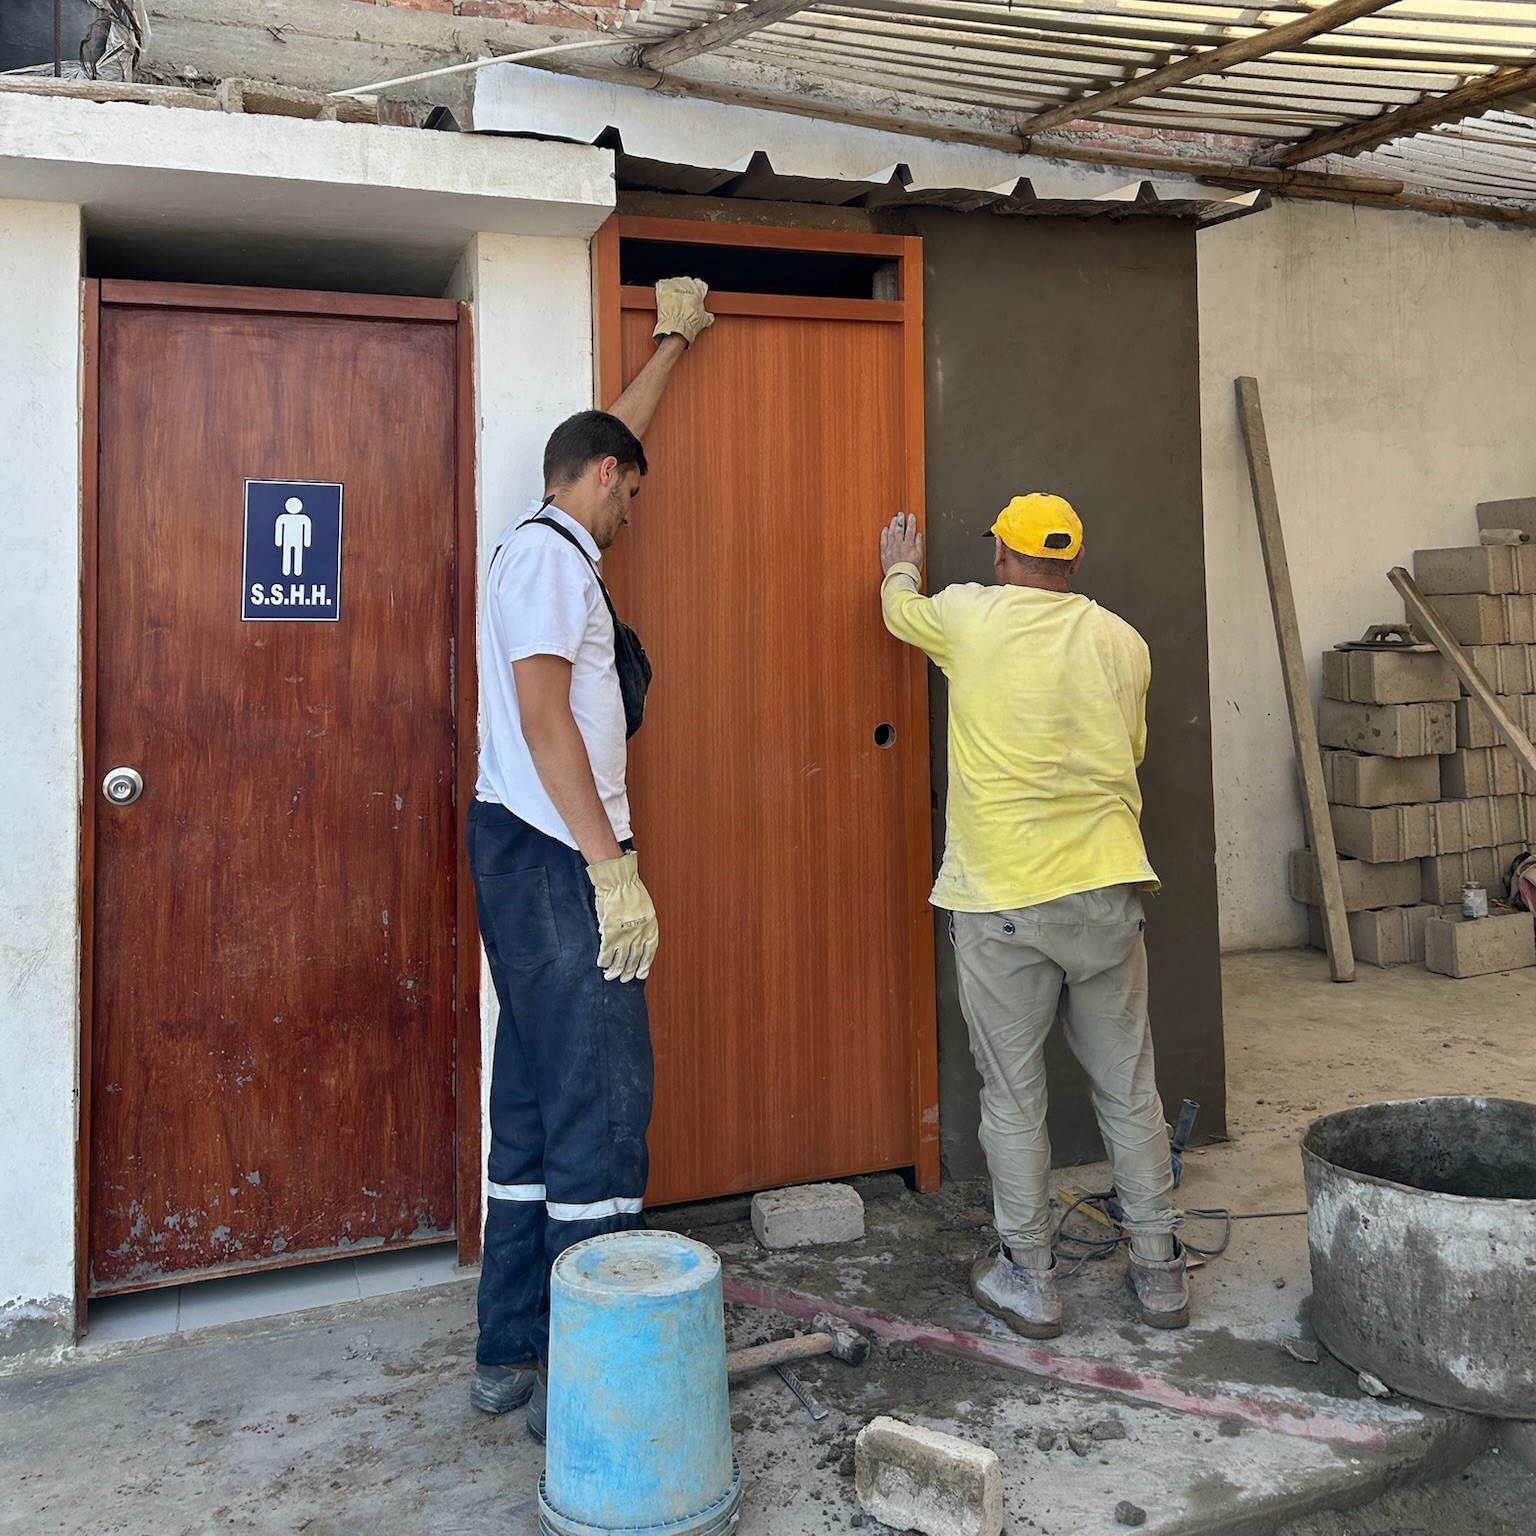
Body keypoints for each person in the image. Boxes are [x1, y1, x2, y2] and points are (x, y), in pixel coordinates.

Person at [468, 278, 714, 1433]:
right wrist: (611, 865)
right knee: (603, 1108)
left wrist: (670, 344)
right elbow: (542, 714)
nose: (631, 523)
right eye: (631, 502)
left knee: (528, 1103)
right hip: (559, 860)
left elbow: (609, 440)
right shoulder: (555, 563)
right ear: (608, 486)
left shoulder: (550, 537)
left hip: (522, 857)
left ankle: (510, 1346)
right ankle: (598, 1380)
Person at [877, 495, 1187, 1338]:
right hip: (1109, 891)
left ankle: (1031, 1279)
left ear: (1005, 559)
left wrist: (898, 564)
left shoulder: (971, 615)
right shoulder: (1125, 642)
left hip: (1006, 896)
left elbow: (898, 613)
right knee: (1129, 1090)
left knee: (1015, 1100)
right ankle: (1159, 1273)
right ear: (1074, 562)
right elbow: (1131, 754)